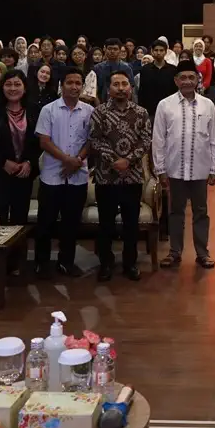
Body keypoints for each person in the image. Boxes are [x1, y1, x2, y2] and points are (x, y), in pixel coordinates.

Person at [154, 59, 215, 270]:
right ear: (176, 80)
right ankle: (174, 252)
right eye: (182, 77)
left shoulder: (207, 105)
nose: (187, 81)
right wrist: (160, 169)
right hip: (174, 169)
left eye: (191, 77)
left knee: (201, 211)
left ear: (197, 79)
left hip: (200, 169)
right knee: (176, 212)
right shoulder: (165, 105)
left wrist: (214, 168)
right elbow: (158, 140)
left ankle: (202, 253)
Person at [89, 71, 152, 282]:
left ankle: (130, 263)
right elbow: (95, 140)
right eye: (116, 84)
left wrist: (128, 160)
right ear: (109, 89)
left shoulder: (141, 113)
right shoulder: (99, 112)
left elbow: (146, 141)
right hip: (106, 177)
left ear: (131, 88)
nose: (121, 88)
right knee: (105, 224)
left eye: (125, 84)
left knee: (131, 225)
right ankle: (105, 264)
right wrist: (114, 160)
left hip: (132, 177)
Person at [34, 70, 93, 278]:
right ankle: (41, 262)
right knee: (45, 222)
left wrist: (77, 161)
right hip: (52, 175)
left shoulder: (89, 111)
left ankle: (66, 262)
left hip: (78, 176)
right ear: (62, 85)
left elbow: (91, 140)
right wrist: (67, 160)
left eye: (78, 83)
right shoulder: (48, 110)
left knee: (71, 224)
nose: (74, 87)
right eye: (70, 82)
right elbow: (44, 141)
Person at [0, 69, 39, 278]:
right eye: (8, 84)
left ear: (24, 88)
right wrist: (3, 162)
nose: (13, 89)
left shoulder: (34, 111)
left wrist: (29, 162)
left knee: (18, 220)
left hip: (23, 174)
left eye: (17, 84)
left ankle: (15, 263)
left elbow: (39, 141)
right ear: (2, 87)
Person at [138, 38, 178, 117]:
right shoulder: (145, 69)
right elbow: (142, 91)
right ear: (152, 52)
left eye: (161, 50)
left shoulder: (173, 70)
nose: (158, 53)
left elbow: (175, 91)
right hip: (150, 111)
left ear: (165, 52)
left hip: (169, 110)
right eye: (156, 50)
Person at [92, 38, 134, 103]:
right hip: (101, 104)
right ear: (105, 49)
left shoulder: (127, 68)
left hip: (122, 104)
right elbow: (93, 91)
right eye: (109, 49)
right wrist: (99, 106)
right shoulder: (97, 68)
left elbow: (130, 90)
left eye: (115, 49)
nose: (112, 51)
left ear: (120, 50)